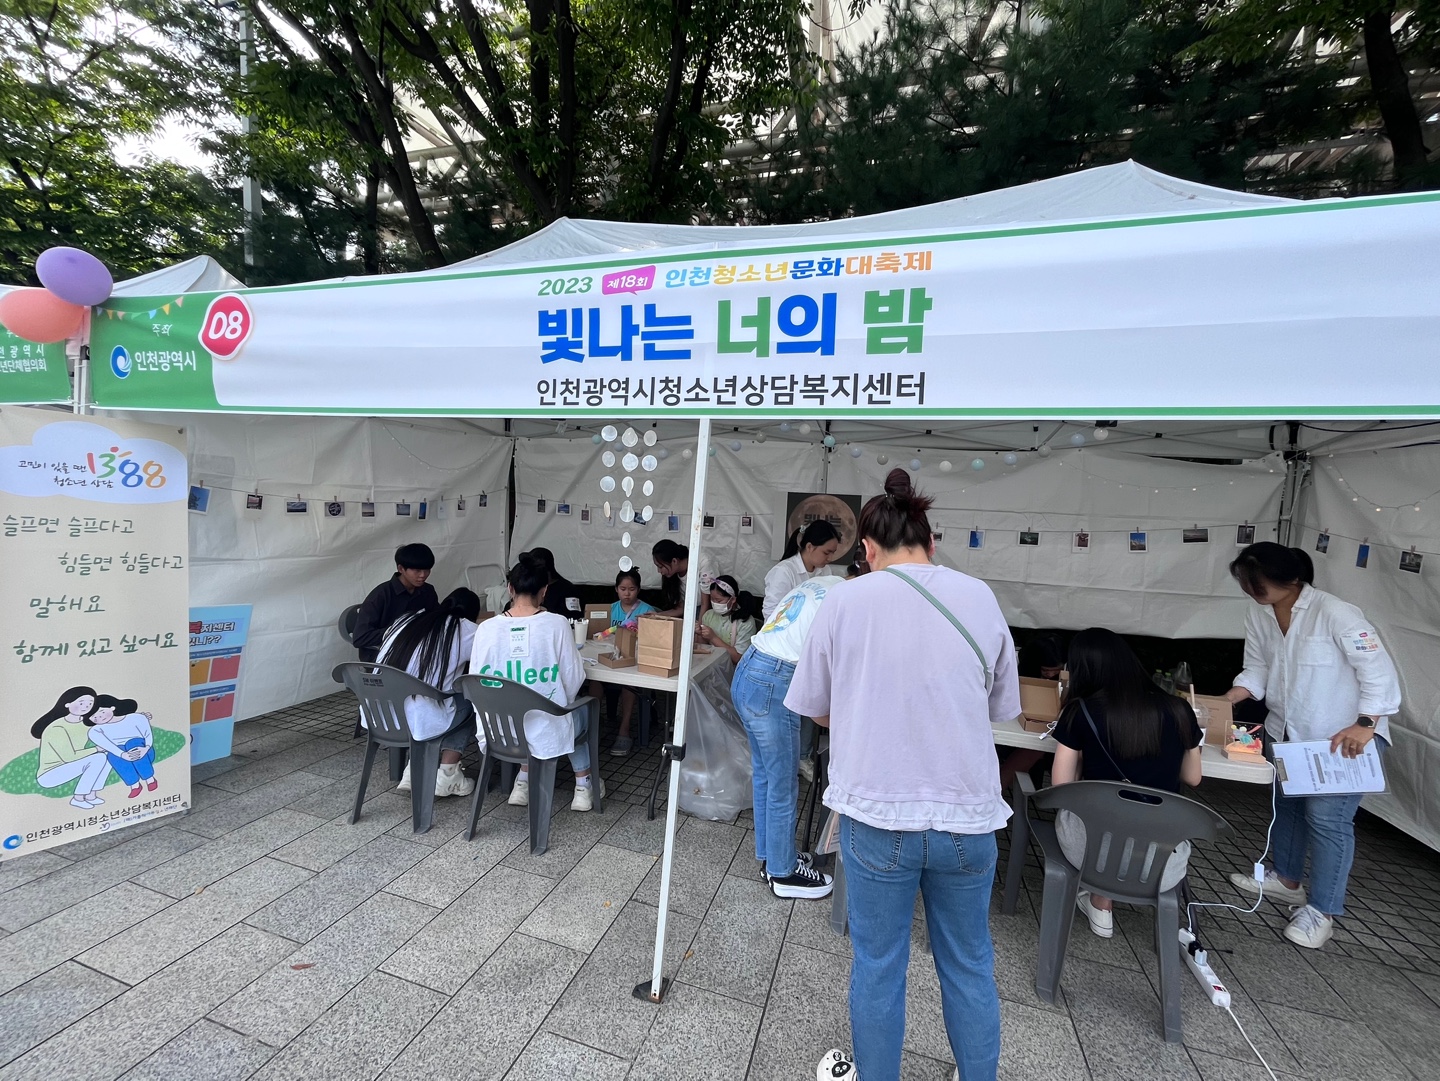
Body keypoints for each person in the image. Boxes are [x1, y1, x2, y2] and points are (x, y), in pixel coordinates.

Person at [789, 469, 1019, 1081]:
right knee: (969, 964)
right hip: (968, 816)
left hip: (877, 813)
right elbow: (1000, 706)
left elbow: (815, 707)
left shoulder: (843, 601)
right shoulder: (980, 597)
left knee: (879, 964)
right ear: (931, 542)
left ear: (866, 550)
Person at [1223, 542, 1400, 950]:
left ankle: (1323, 910)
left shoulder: (1336, 612)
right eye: (1245, 583)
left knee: (1327, 821)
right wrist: (1233, 695)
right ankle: (1287, 880)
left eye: (1257, 582)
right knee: (1287, 807)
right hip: (1288, 732)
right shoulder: (1259, 613)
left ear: (1292, 578)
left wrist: (1366, 724)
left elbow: (1379, 672)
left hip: (1343, 739)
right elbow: (1259, 667)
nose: (1251, 590)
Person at [1049, 628, 1203, 937]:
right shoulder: (1179, 709)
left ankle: (1101, 902)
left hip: (1091, 853)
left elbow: (1060, 789)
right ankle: (1101, 902)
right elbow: (1193, 777)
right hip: (1162, 863)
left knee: (1097, 817)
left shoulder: (1080, 711)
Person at [732, 572, 846, 898]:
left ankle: (773, 857)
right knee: (783, 784)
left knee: (766, 778)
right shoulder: (849, 602)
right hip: (773, 680)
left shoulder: (828, 583)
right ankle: (783, 874)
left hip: (750, 669)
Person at [470, 552, 602, 812]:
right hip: (544, 729)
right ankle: (583, 785)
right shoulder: (557, 624)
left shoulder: (485, 628)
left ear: (510, 589)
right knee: (579, 709)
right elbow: (574, 679)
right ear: (544, 591)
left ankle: (523, 781)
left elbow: (477, 681)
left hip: (499, 730)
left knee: (526, 709)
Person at [377, 587, 483, 799]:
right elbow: (487, 665)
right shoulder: (467, 629)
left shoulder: (406, 620)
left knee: (427, 698)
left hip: (379, 715)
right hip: (419, 716)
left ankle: (413, 768)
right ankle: (448, 773)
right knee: (471, 698)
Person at [593, 568, 656, 757]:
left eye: (632, 589)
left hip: (634, 660)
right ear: (616, 589)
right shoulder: (610, 609)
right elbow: (599, 634)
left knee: (629, 683)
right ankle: (593, 726)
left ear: (639, 589)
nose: (627, 593)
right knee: (594, 679)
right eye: (623, 589)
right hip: (610, 657)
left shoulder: (647, 611)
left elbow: (654, 638)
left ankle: (624, 729)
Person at [997, 632, 1066, 793]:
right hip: (1021, 724)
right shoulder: (1019, 673)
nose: (1051, 675)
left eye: (1056, 670)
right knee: (1034, 750)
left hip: (1045, 729)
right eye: (1046, 670)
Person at [353, 543, 439, 662]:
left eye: (427, 570)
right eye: (417, 570)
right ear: (401, 569)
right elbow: (360, 638)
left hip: (416, 650)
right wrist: (398, 631)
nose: (423, 575)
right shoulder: (380, 595)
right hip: (382, 655)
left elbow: (436, 619)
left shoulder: (427, 591)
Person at [31, 687, 111, 809]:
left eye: (90, 703)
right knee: (98, 758)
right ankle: (78, 798)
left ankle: (91, 795)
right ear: (67, 704)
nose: (86, 707)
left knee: (107, 757)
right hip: (49, 774)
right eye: (81, 703)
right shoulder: (57, 728)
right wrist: (96, 749)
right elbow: (69, 757)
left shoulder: (85, 724)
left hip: (71, 766)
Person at [763, 520, 842, 619]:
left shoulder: (825, 570)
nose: (830, 558)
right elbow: (771, 612)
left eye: (833, 553)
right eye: (826, 553)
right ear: (809, 547)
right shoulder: (783, 572)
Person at [85, 696, 158, 799]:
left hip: (145, 751)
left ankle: (149, 779)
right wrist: (122, 754)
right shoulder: (95, 731)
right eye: (94, 717)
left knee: (133, 743)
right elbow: (109, 747)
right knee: (113, 755)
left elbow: (148, 735)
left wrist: (146, 748)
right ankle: (134, 785)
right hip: (121, 755)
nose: (99, 717)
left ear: (112, 707)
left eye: (102, 712)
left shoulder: (136, 718)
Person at [698, 575, 759, 665]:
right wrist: (700, 634)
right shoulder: (708, 615)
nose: (714, 603)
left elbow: (738, 658)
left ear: (733, 599)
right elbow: (702, 647)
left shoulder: (745, 622)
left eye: (719, 601)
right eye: (712, 599)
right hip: (709, 664)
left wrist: (713, 638)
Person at [651, 538, 718, 616]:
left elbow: (705, 603)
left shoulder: (703, 563)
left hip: (710, 610)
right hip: (692, 609)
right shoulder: (673, 575)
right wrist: (657, 615)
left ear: (674, 561)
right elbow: (682, 608)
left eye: (660, 567)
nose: (659, 571)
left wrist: (699, 623)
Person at [525, 546, 583, 621]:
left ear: (547, 570)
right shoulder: (530, 587)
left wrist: (546, 612)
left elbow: (574, 617)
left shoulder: (568, 590)